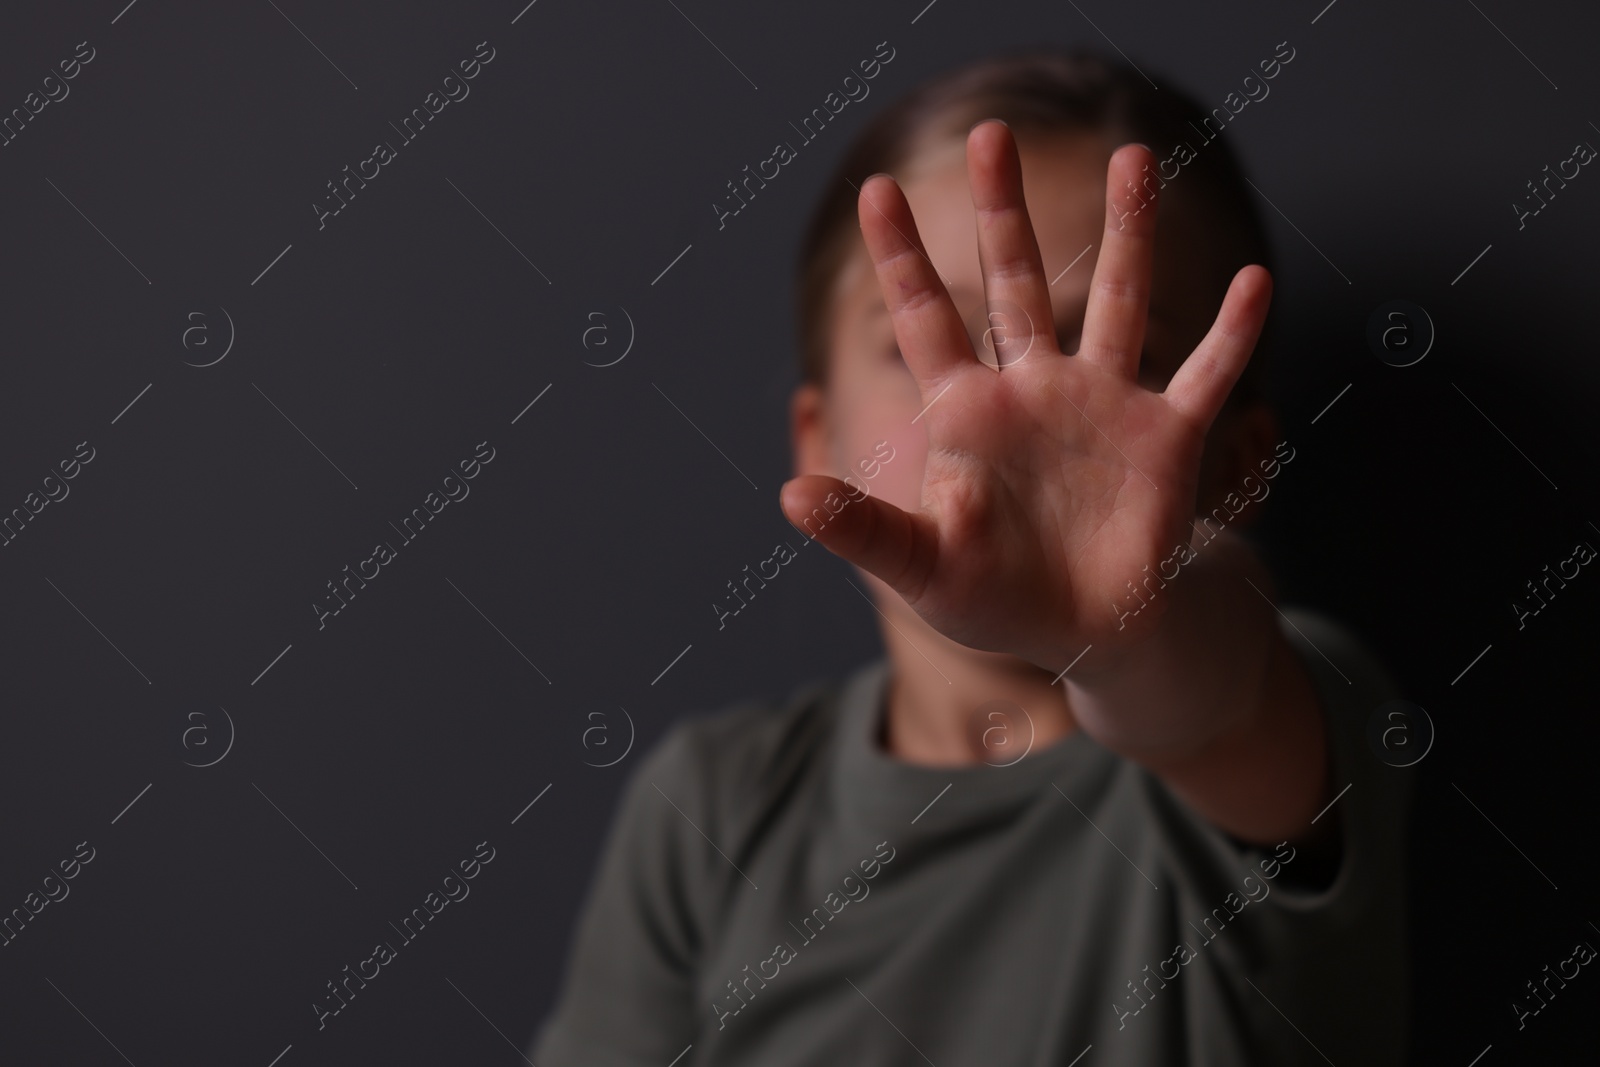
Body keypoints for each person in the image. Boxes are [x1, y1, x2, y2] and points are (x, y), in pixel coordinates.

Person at [528, 47, 1412, 1066]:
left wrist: (1128, 630)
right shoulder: (713, 802)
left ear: (1240, 464)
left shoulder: (1293, 706)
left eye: (1100, 358)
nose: (993, 427)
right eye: (920, 350)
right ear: (816, 437)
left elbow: (1219, 685)